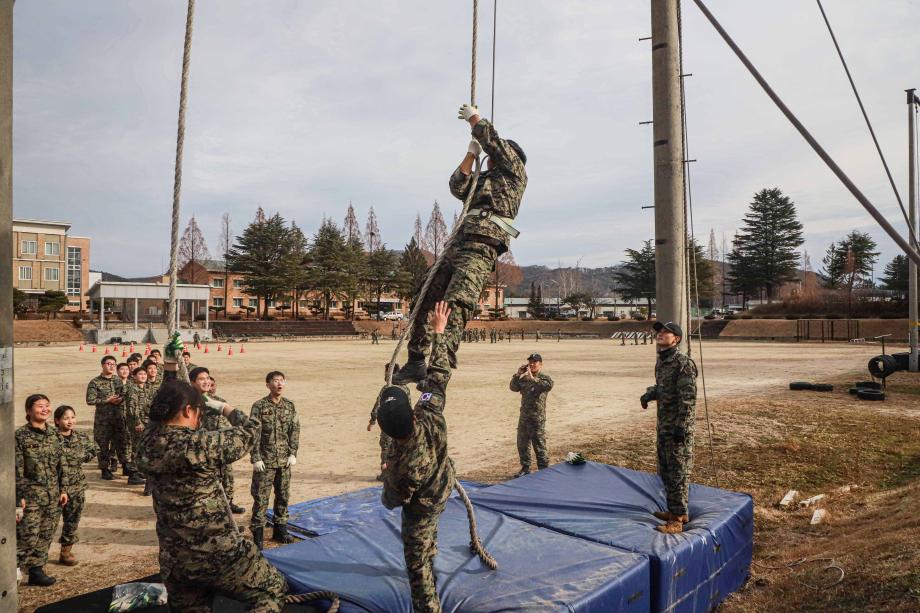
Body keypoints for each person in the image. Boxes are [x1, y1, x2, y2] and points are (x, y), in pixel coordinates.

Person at [393, 104, 527, 385]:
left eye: (494, 155)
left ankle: (439, 367)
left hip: (481, 246)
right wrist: (470, 154)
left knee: (455, 305)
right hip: (458, 244)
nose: (491, 158)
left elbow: (495, 142)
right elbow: (457, 185)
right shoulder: (484, 179)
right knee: (423, 300)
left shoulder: (514, 176)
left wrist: (475, 120)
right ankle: (416, 360)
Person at [136, 371, 288, 611]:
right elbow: (252, 429)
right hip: (218, 555)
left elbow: (159, 418)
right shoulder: (200, 444)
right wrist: (224, 407)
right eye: (198, 411)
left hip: (176, 560)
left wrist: (170, 367)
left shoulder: (147, 443)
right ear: (188, 411)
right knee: (274, 589)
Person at [379, 301, 456, 613]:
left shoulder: (400, 466)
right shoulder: (428, 413)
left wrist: (387, 471)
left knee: (417, 564)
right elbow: (437, 377)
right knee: (431, 529)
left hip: (422, 507)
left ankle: (428, 608)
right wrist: (439, 332)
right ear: (411, 415)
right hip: (443, 487)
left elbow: (392, 500)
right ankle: (432, 547)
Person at [640, 321, 698, 534]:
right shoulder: (662, 363)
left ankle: (676, 521)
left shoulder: (683, 363)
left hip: (677, 429)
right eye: (660, 331)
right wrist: (649, 395)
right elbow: (663, 388)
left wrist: (681, 428)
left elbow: (688, 399)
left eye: (667, 332)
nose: (661, 334)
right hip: (664, 427)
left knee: (677, 472)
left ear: (677, 339)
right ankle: (678, 510)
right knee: (666, 471)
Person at [16, 394, 68, 586]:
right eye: (40, 406)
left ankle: (37, 570)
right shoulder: (20, 437)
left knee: (46, 533)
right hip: (30, 498)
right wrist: (18, 498)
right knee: (27, 536)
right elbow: (17, 470)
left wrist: (63, 489)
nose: (45, 409)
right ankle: (13, 573)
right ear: (29, 411)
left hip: (52, 495)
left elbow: (62, 465)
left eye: (47, 406)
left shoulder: (54, 434)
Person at [249, 371, 300, 549]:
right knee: (261, 499)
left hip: (284, 462)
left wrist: (293, 453)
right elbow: (253, 434)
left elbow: (294, 431)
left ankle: (280, 529)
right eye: (275, 381)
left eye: (281, 381)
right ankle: (258, 536)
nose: (279, 384)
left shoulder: (290, 406)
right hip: (265, 462)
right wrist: (255, 458)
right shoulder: (259, 406)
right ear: (268, 384)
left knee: (283, 496)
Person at [189, 367, 245, 514]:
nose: (206, 382)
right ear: (192, 382)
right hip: (201, 452)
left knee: (227, 478)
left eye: (208, 378)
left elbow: (228, 422)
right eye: (202, 379)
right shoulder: (189, 403)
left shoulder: (218, 401)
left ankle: (228, 505)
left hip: (220, 448)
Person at [54, 405, 99, 565]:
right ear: (57, 421)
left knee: (72, 520)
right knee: (48, 524)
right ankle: (36, 560)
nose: (70, 421)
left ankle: (66, 552)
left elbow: (94, 450)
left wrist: (82, 456)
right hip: (55, 487)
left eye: (72, 417)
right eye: (65, 418)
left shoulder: (80, 437)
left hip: (76, 485)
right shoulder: (50, 438)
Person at [509, 353, 554, 477]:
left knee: (539, 444)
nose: (532, 364)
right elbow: (513, 387)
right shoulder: (524, 379)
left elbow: (548, 386)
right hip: (524, 417)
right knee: (522, 443)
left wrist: (532, 378)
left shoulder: (545, 378)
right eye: (530, 362)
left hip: (537, 419)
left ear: (541, 364)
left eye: (535, 362)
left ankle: (544, 470)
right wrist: (518, 374)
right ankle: (525, 468)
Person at [86, 355, 127, 481]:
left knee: (121, 443)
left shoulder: (117, 380)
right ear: (103, 365)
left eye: (114, 364)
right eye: (109, 364)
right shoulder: (95, 382)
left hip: (118, 417)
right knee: (103, 445)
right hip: (103, 420)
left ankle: (125, 466)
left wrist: (120, 399)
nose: (111, 366)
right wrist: (107, 400)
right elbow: (90, 400)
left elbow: (123, 395)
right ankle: (105, 469)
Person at [367, 364, 410, 481]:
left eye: (386, 371)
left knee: (386, 447)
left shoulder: (387, 388)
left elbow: (378, 405)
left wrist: (372, 420)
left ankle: (386, 474)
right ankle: (399, 473)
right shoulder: (405, 388)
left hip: (389, 423)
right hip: (402, 423)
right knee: (400, 447)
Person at [125, 366, 154, 493]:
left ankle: (139, 471)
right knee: (137, 448)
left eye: (144, 374)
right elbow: (132, 408)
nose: (143, 376)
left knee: (145, 448)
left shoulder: (147, 389)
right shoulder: (133, 390)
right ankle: (133, 474)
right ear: (134, 376)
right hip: (138, 424)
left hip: (147, 423)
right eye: (140, 374)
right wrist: (138, 422)